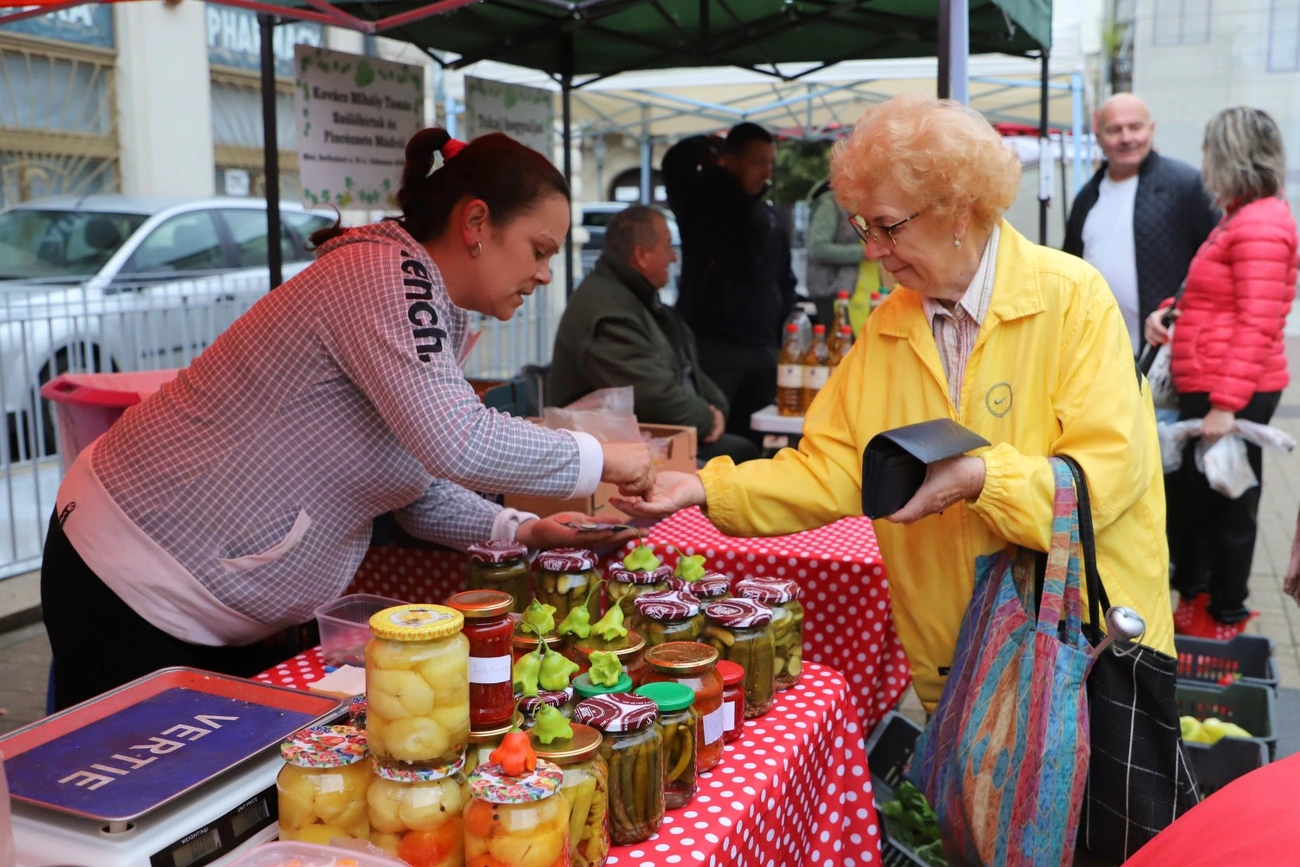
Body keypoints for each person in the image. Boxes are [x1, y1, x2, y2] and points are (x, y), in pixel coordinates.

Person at [41, 129, 655, 710]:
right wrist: (600, 456)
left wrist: (520, 529)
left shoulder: (432, 304)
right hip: (131, 576)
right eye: (539, 250)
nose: (545, 273)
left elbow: (413, 483)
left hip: (209, 603)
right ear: (475, 223)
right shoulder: (383, 276)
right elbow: (460, 441)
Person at [616, 93, 1175, 713]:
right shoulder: (889, 325)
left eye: (887, 225)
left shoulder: (1072, 298)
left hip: (1086, 654)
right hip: (961, 665)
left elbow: (1106, 477)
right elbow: (832, 467)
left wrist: (980, 478)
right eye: (864, 227)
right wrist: (703, 487)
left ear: (957, 208)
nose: (873, 249)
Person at [1144, 106, 1298, 640]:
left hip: (1230, 390)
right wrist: (1171, 313)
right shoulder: (1244, 216)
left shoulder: (1259, 224)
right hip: (1214, 384)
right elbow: (1221, 301)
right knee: (1200, 501)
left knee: (1226, 505)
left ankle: (1224, 615)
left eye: (1209, 151)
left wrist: (1225, 406)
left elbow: (1259, 321)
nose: (1203, 161)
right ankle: (1200, 602)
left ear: (1231, 157)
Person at [549, 205, 760, 465]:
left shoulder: (635, 298)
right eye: (668, 246)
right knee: (742, 458)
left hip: (646, 439)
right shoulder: (608, 312)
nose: (673, 257)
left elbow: (684, 370)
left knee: (742, 453)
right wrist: (708, 418)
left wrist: (714, 410)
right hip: (607, 454)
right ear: (641, 256)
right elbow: (652, 396)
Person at [663, 122, 797, 443]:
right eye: (759, 162)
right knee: (715, 438)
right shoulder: (701, 201)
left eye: (770, 162)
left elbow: (784, 280)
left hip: (763, 348)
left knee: (757, 440)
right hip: (714, 346)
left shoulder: (768, 215)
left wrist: (784, 330)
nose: (767, 172)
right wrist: (705, 144)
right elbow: (674, 164)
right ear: (731, 160)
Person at [1064, 93, 1219, 355]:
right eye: (1115, 130)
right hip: (1100, 352)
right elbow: (1071, 269)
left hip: (1170, 351)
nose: (1126, 138)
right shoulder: (1086, 198)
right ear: (1099, 137)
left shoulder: (1185, 185)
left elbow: (1214, 263)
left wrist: (1181, 311)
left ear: (1151, 129)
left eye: (1135, 127)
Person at [805, 178, 879, 328]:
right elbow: (817, 248)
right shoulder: (829, 204)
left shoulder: (863, 203)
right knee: (839, 341)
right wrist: (861, 253)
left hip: (862, 295)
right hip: (833, 293)